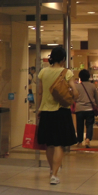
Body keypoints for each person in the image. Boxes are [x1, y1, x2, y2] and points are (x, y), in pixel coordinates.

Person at [37, 46, 79, 185]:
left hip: (46, 111)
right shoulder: (66, 73)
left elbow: (40, 92)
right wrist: (72, 97)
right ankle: (54, 175)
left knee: (49, 144)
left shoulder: (43, 72)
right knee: (59, 145)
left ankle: (51, 170)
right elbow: (75, 92)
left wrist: (39, 108)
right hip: (61, 111)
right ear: (63, 59)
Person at [74, 69, 98, 148]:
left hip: (79, 108)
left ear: (80, 77)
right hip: (90, 108)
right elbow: (96, 98)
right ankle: (88, 139)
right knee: (89, 125)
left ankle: (79, 141)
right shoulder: (92, 86)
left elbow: (74, 97)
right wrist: (97, 106)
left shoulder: (77, 86)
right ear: (88, 77)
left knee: (79, 125)